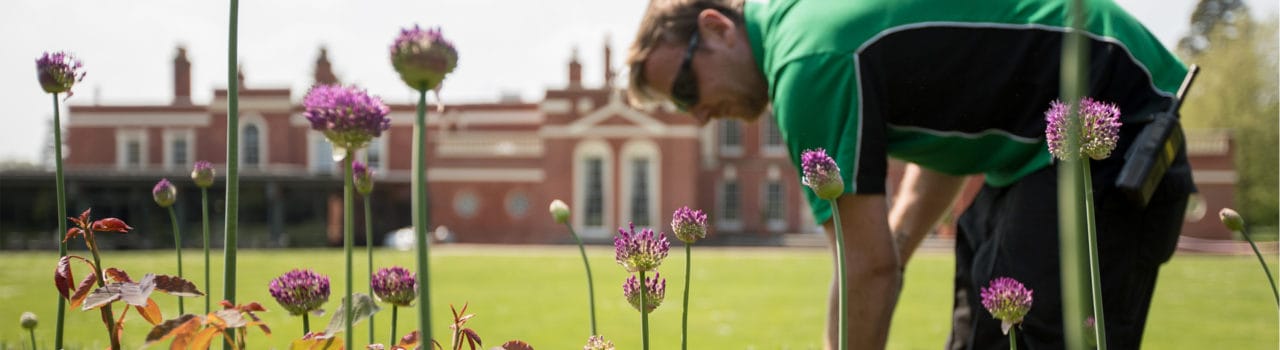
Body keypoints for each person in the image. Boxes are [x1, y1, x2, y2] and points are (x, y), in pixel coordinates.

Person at [625, 0, 1194, 349]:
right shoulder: (804, 23)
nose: (696, 115)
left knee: (1036, 332)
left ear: (717, 27)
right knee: (984, 331)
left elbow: (865, 270)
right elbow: (942, 133)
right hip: (1022, 157)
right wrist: (895, 247)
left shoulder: (806, 64)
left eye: (685, 88)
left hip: (1109, 108)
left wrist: (881, 265)